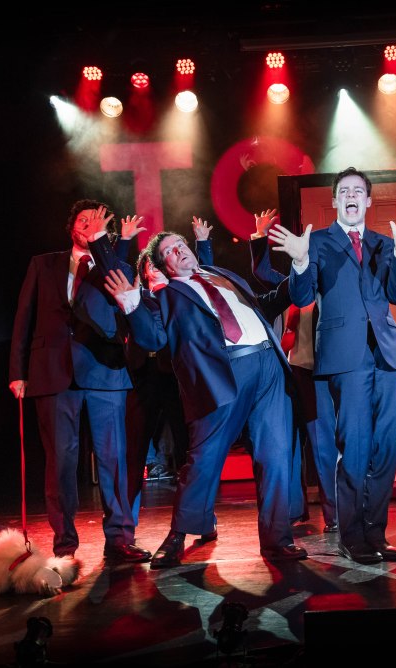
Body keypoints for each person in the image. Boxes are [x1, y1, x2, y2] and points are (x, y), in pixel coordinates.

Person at [100, 229, 306, 566]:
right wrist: (131, 305)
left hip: (269, 365)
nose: (179, 250)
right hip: (223, 374)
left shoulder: (223, 275)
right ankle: (178, 535)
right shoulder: (166, 295)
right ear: (163, 267)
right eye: (169, 251)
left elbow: (265, 304)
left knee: (276, 454)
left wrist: (298, 265)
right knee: (203, 458)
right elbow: (152, 338)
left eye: (181, 244)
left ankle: (277, 539)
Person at [268, 167, 396, 564]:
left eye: (358, 191)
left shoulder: (384, 243)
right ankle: (352, 535)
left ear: (368, 200)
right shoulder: (318, 243)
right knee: (355, 448)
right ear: (335, 201)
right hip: (346, 358)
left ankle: (376, 533)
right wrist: (299, 261)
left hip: (386, 356)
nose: (351, 196)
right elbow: (303, 296)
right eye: (344, 191)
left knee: (385, 449)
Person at [9, 200, 150, 563]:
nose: (89, 225)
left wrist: (106, 244)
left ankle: (120, 539)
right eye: (83, 220)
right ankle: (64, 544)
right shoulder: (43, 264)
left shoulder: (113, 263)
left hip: (105, 371)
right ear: (71, 226)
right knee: (60, 461)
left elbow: (121, 292)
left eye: (97, 222)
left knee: (113, 459)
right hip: (53, 372)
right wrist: (17, 371)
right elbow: (24, 318)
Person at [250, 209, 339, 534]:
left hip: (318, 374)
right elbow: (262, 272)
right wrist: (260, 236)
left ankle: (334, 514)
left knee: (323, 444)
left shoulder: (331, 287)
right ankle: (293, 510)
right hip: (291, 373)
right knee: (288, 442)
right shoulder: (293, 284)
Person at [124, 217, 213, 523]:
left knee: (189, 449)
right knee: (135, 451)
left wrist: (203, 244)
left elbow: (204, 279)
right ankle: (125, 527)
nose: (152, 268)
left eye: (156, 263)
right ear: (142, 273)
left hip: (175, 378)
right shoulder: (136, 298)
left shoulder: (177, 293)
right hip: (143, 378)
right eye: (146, 265)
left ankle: (202, 519)